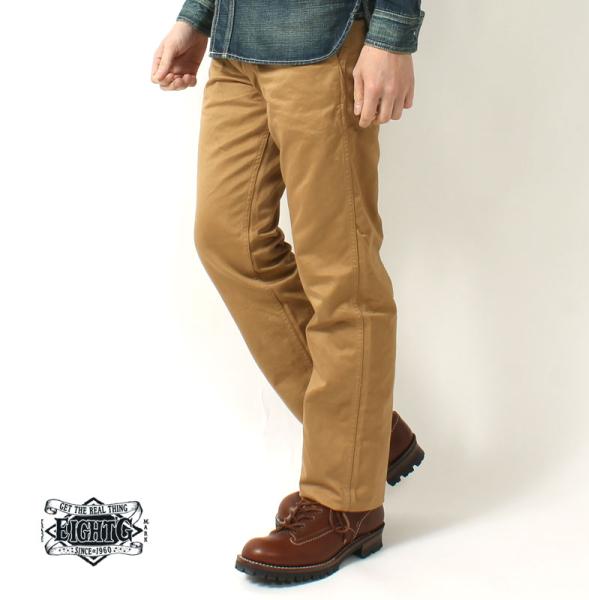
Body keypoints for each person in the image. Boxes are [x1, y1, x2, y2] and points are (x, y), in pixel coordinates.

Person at [151, 0, 426, 583]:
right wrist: (196, 17)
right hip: (235, 43)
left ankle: (346, 503)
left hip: (325, 38)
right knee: (228, 241)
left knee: (341, 273)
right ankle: (364, 436)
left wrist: (392, 35)